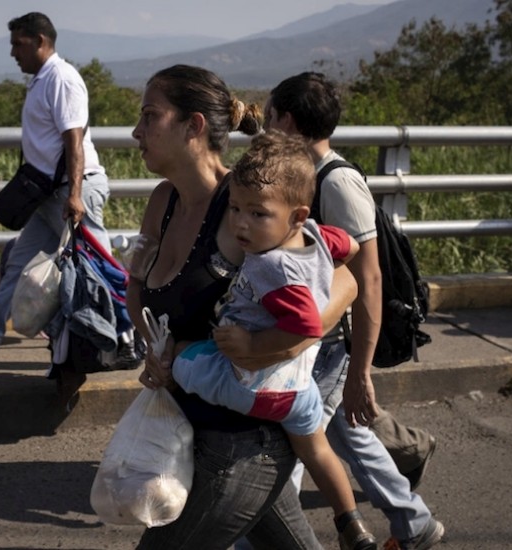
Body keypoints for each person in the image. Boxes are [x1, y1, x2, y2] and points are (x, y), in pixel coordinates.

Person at [127, 64, 358, 550]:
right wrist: (157, 353)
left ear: (193, 126)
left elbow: (343, 282)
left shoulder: (248, 205)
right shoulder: (162, 201)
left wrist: (275, 344)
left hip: (242, 445)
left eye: (150, 116)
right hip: (193, 427)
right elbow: (140, 292)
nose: (136, 131)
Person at [262, 71, 444, 550]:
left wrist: (360, 369)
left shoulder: (337, 183)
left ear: (288, 119)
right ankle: (415, 523)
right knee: (348, 434)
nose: (264, 122)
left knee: (293, 445)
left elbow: (369, 279)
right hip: (312, 338)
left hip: (330, 344)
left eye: (270, 114)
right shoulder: (303, 170)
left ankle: (269, 539)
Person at [172, 131, 377, 550]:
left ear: (297, 216)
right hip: (299, 389)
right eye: (234, 209)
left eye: (258, 214)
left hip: (256, 384)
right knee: (318, 450)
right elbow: (352, 245)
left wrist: (251, 346)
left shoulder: (272, 267)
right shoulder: (319, 235)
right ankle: (350, 521)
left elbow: (304, 325)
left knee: (179, 362)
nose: (241, 223)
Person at [0, 12, 117, 389]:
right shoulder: (41, 80)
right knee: (18, 265)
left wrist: (76, 194)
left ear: (40, 41)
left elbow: (74, 140)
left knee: (98, 268)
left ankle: (124, 340)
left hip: (70, 192)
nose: (13, 53)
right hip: (50, 195)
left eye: (18, 44)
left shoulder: (62, 79)